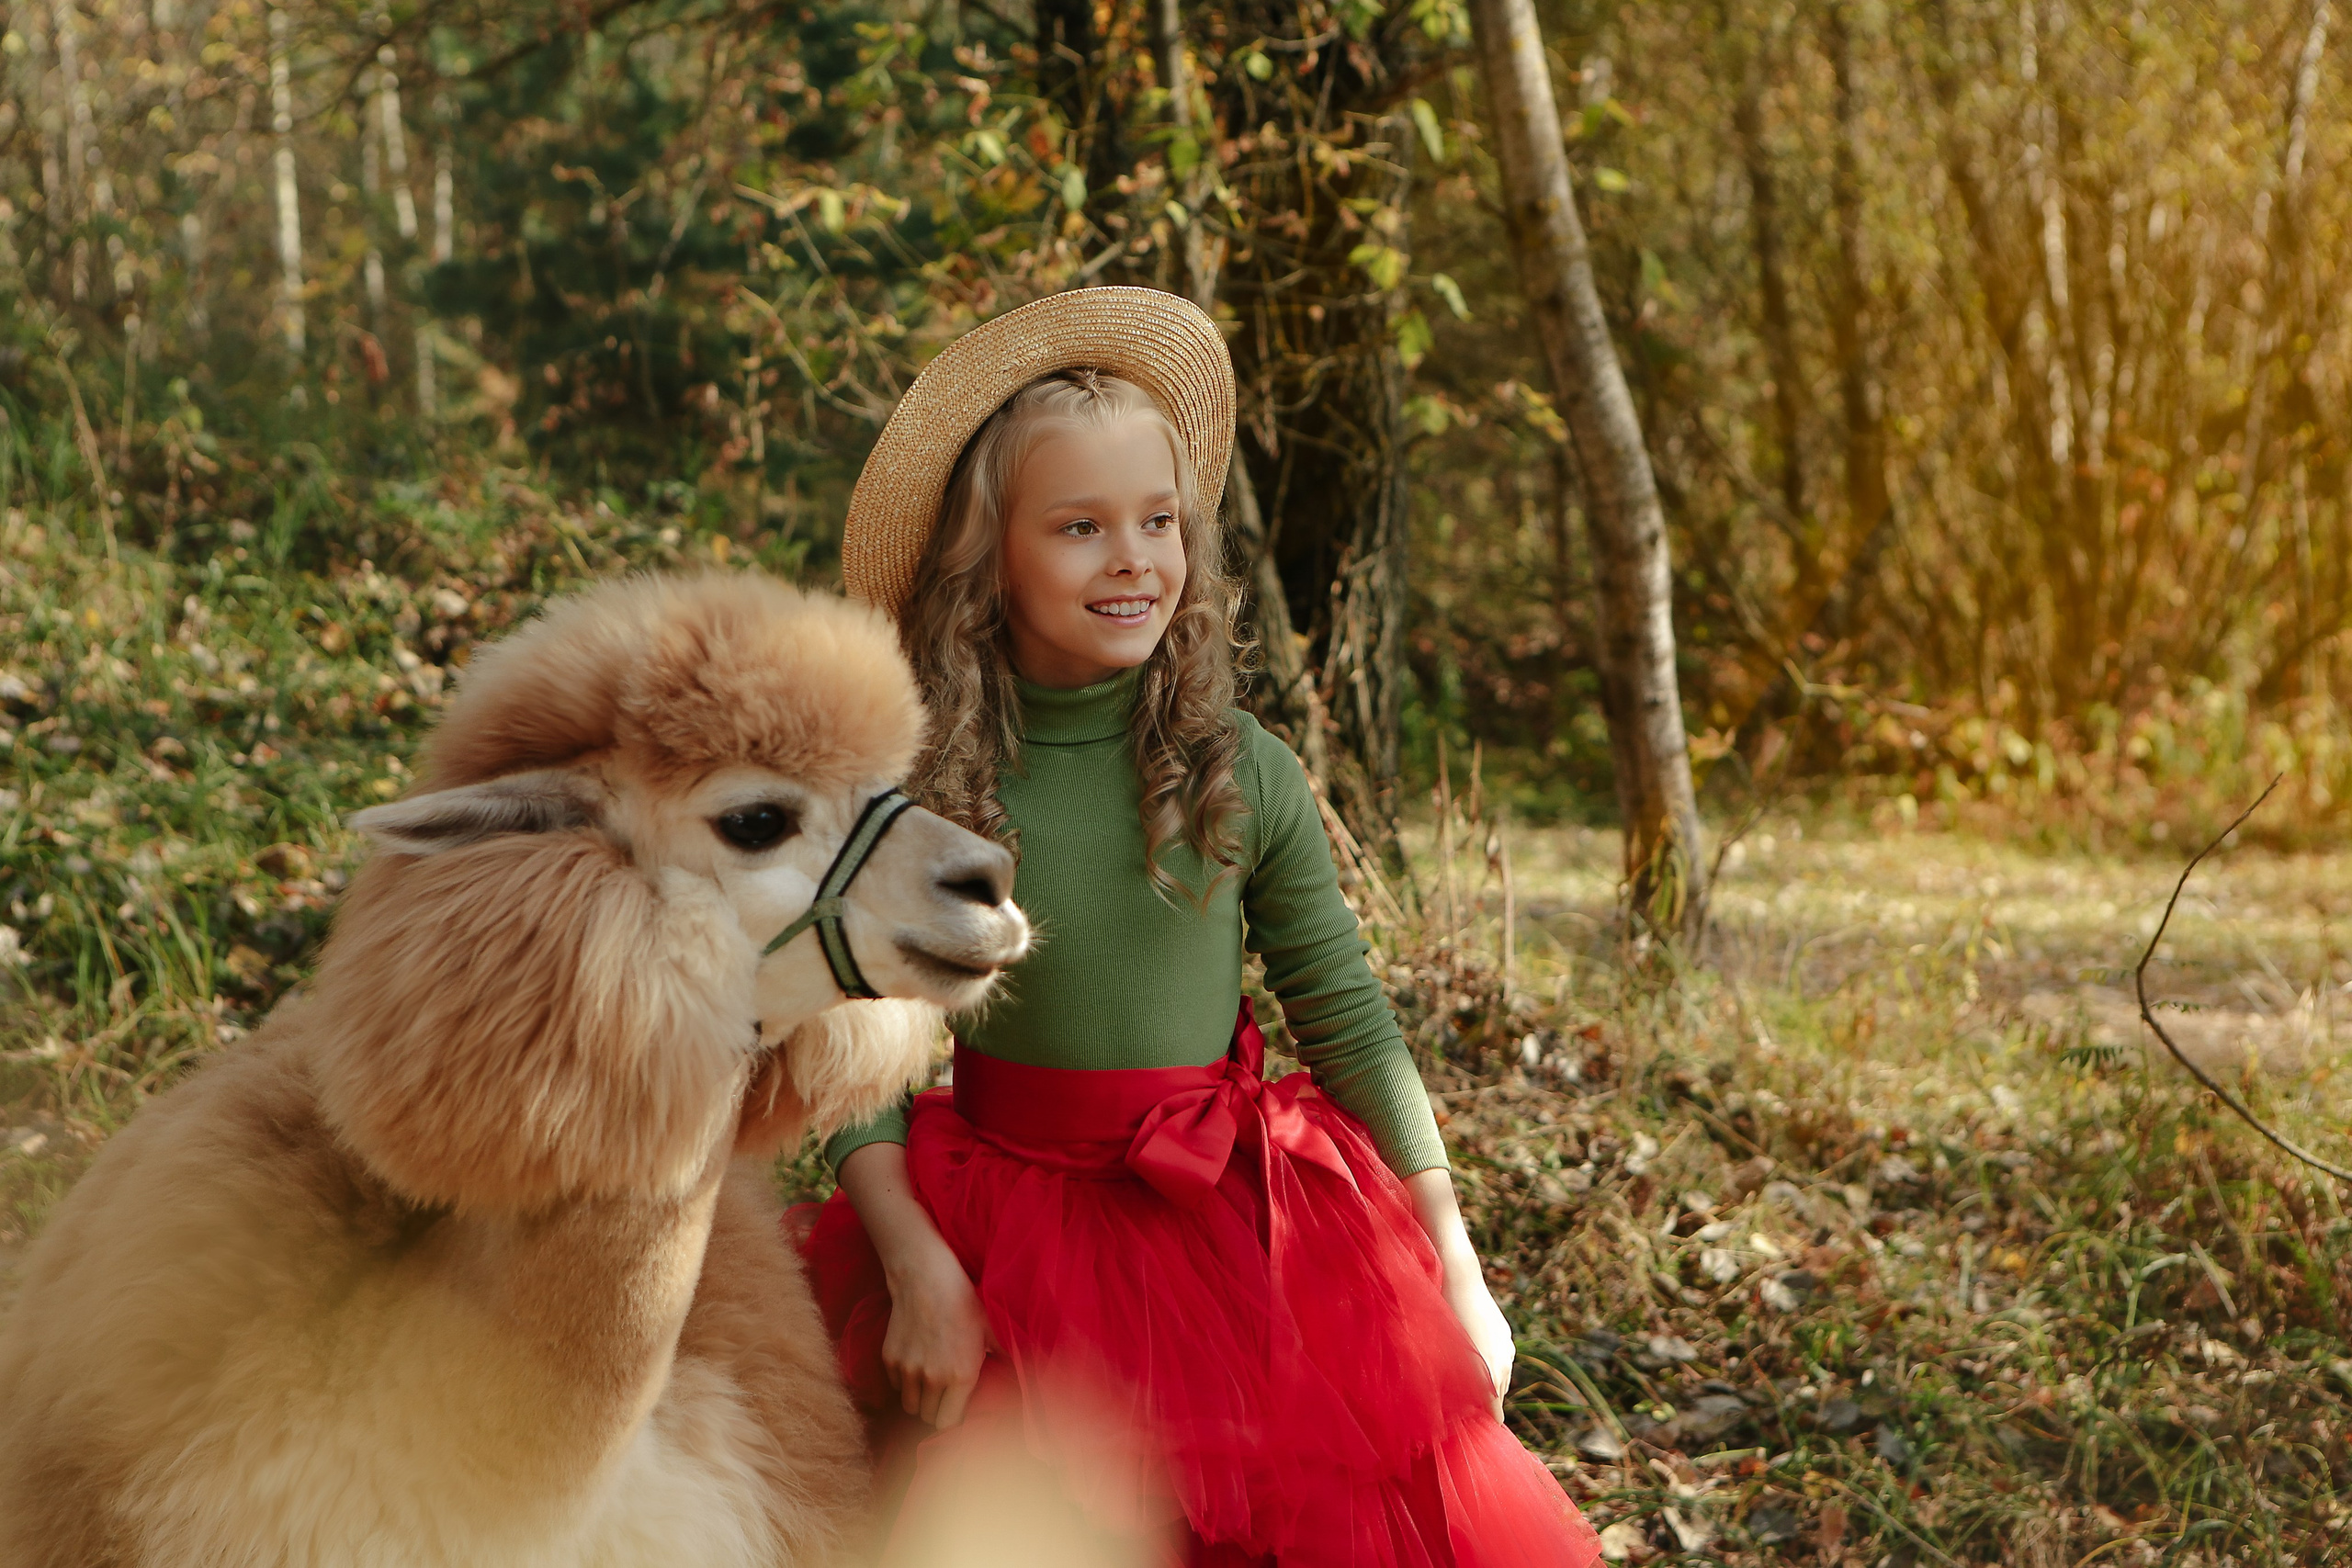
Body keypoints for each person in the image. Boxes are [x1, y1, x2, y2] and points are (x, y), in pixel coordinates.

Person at [799, 287, 1600, 1567]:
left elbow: (1345, 1014)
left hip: (1235, 1234)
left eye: (1159, 522)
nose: (1133, 558)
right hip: (1002, 1240)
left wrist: (1455, 1262)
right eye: (1079, 527)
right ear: (985, 557)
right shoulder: (926, 788)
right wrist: (915, 1266)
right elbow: (856, 1055)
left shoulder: (1238, 769)